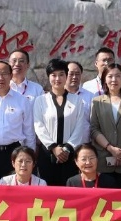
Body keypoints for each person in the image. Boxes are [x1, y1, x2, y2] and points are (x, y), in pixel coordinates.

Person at [33, 58, 89, 187]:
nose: (57, 79)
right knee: (48, 190)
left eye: (61, 74)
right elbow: (39, 126)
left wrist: (67, 148)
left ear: (66, 76)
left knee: (69, 189)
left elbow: (79, 127)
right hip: (47, 153)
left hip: (70, 154)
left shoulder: (77, 100)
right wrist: (53, 147)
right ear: (48, 77)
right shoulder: (40, 100)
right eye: (54, 75)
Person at [89, 62, 121, 188]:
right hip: (104, 158)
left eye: (118, 76)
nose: (114, 80)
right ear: (104, 79)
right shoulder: (97, 102)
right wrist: (111, 149)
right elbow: (94, 129)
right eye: (110, 76)